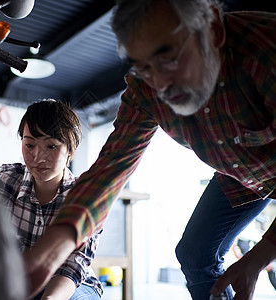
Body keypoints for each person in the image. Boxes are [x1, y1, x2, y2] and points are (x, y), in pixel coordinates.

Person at [22, 1, 276, 300]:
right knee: (195, 255)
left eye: (168, 58)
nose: (160, 84)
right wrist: (51, 252)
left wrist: (260, 256)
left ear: (214, 31)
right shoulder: (145, 90)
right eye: (142, 67)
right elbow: (109, 171)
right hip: (238, 174)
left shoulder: (265, 51)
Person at [0, 99, 103, 300]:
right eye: (29, 144)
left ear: (70, 150)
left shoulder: (84, 194)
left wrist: (50, 298)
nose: (38, 157)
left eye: (51, 146)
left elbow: (74, 264)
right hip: (17, 279)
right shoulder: (8, 179)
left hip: (72, 285)